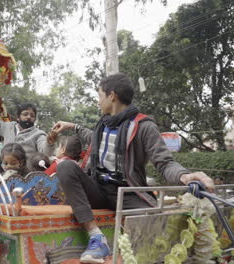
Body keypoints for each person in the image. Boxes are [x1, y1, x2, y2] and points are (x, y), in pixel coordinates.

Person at [52, 73, 215, 263]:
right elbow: (92, 137)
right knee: (65, 167)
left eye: (99, 96)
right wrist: (71, 126)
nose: (98, 102)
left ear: (111, 96)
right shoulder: (101, 127)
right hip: (98, 189)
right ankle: (96, 237)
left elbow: (164, 163)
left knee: (156, 227)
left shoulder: (144, 126)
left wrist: (185, 176)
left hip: (127, 193)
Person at [0, 88, 57, 156]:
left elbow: (45, 153)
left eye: (32, 116)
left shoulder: (38, 134)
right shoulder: (8, 127)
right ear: (18, 117)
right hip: (5, 167)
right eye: (25, 114)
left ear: (35, 119)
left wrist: (49, 143)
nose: (29, 117)